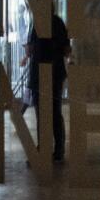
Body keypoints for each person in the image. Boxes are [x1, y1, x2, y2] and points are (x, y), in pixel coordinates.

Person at [24, 10, 71, 162]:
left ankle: (47, 149)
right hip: (53, 73)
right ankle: (57, 149)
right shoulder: (56, 22)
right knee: (53, 113)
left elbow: (31, 49)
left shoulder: (38, 23)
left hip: (43, 74)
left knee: (44, 113)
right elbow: (66, 49)